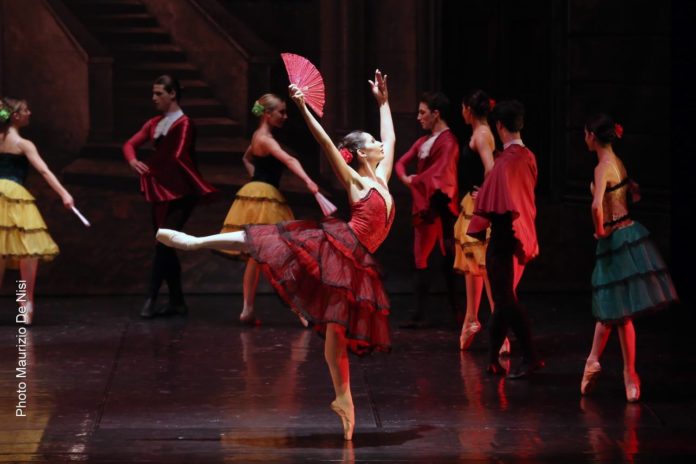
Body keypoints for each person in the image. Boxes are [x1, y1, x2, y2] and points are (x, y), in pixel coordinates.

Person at [156, 70, 395, 441]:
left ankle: (343, 400)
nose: (382, 144)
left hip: (356, 262)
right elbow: (325, 143)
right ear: (363, 153)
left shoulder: (382, 176)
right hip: (340, 247)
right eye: (374, 142)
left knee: (335, 331)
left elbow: (391, 137)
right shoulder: (357, 182)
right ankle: (195, 242)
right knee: (269, 240)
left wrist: (384, 103)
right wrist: (302, 108)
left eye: (378, 142)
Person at [579, 114, 677, 402]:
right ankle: (626, 372)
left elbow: (596, 206)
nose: (584, 139)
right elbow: (630, 190)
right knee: (620, 312)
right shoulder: (617, 161)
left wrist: (599, 231)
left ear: (592, 136)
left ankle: (597, 362)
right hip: (627, 235)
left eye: (585, 134)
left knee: (612, 309)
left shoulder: (602, 167)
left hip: (614, 239)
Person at [218, 93, 319, 325]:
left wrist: (256, 179)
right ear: (267, 114)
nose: (285, 116)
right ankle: (300, 312)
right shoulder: (267, 140)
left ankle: (247, 309)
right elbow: (290, 160)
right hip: (266, 199)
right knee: (283, 255)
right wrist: (308, 181)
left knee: (256, 258)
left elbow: (246, 158)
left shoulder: (258, 136)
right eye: (281, 112)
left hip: (256, 194)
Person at [122, 75, 217, 318]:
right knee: (165, 245)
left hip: (181, 191)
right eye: (153, 93)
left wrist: (152, 168)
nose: (154, 98)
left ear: (172, 94)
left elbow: (176, 156)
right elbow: (129, 145)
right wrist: (133, 161)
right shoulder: (154, 123)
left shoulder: (185, 124)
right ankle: (177, 301)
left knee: (163, 243)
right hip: (161, 190)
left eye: (159, 94)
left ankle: (151, 298)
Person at [467, 99, 543, 379]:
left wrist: (484, 199)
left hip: (505, 238)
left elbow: (500, 197)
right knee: (502, 299)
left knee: (506, 299)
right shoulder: (528, 156)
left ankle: (531, 355)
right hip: (522, 233)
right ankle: (492, 360)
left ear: (499, 126)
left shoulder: (505, 162)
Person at [0, 97, 75, 325]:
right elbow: (44, 171)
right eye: (26, 110)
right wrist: (64, 193)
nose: (29, 113)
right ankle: (26, 303)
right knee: (28, 252)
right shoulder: (23, 144)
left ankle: (25, 304)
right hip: (14, 196)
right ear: (16, 116)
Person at [395, 91, 460, 328]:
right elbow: (400, 163)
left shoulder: (449, 142)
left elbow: (441, 173)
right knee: (420, 259)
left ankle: (457, 313)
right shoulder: (423, 142)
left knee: (448, 258)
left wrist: (415, 180)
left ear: (436, 114)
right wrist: (406, 179)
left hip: (441, 206)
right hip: (424, 206)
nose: (418, 117)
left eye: (423, 112)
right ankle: (419, 314)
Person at [454, 90, 509, 355]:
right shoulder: (481, 133)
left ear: (468, 109)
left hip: (478, 205)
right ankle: (471, 319)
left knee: (485, 267)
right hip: (473, 203)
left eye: (462, 108)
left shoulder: (481, 134)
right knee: (472, 263)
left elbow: (491, 167)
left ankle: (499, 332)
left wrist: (485, 195)